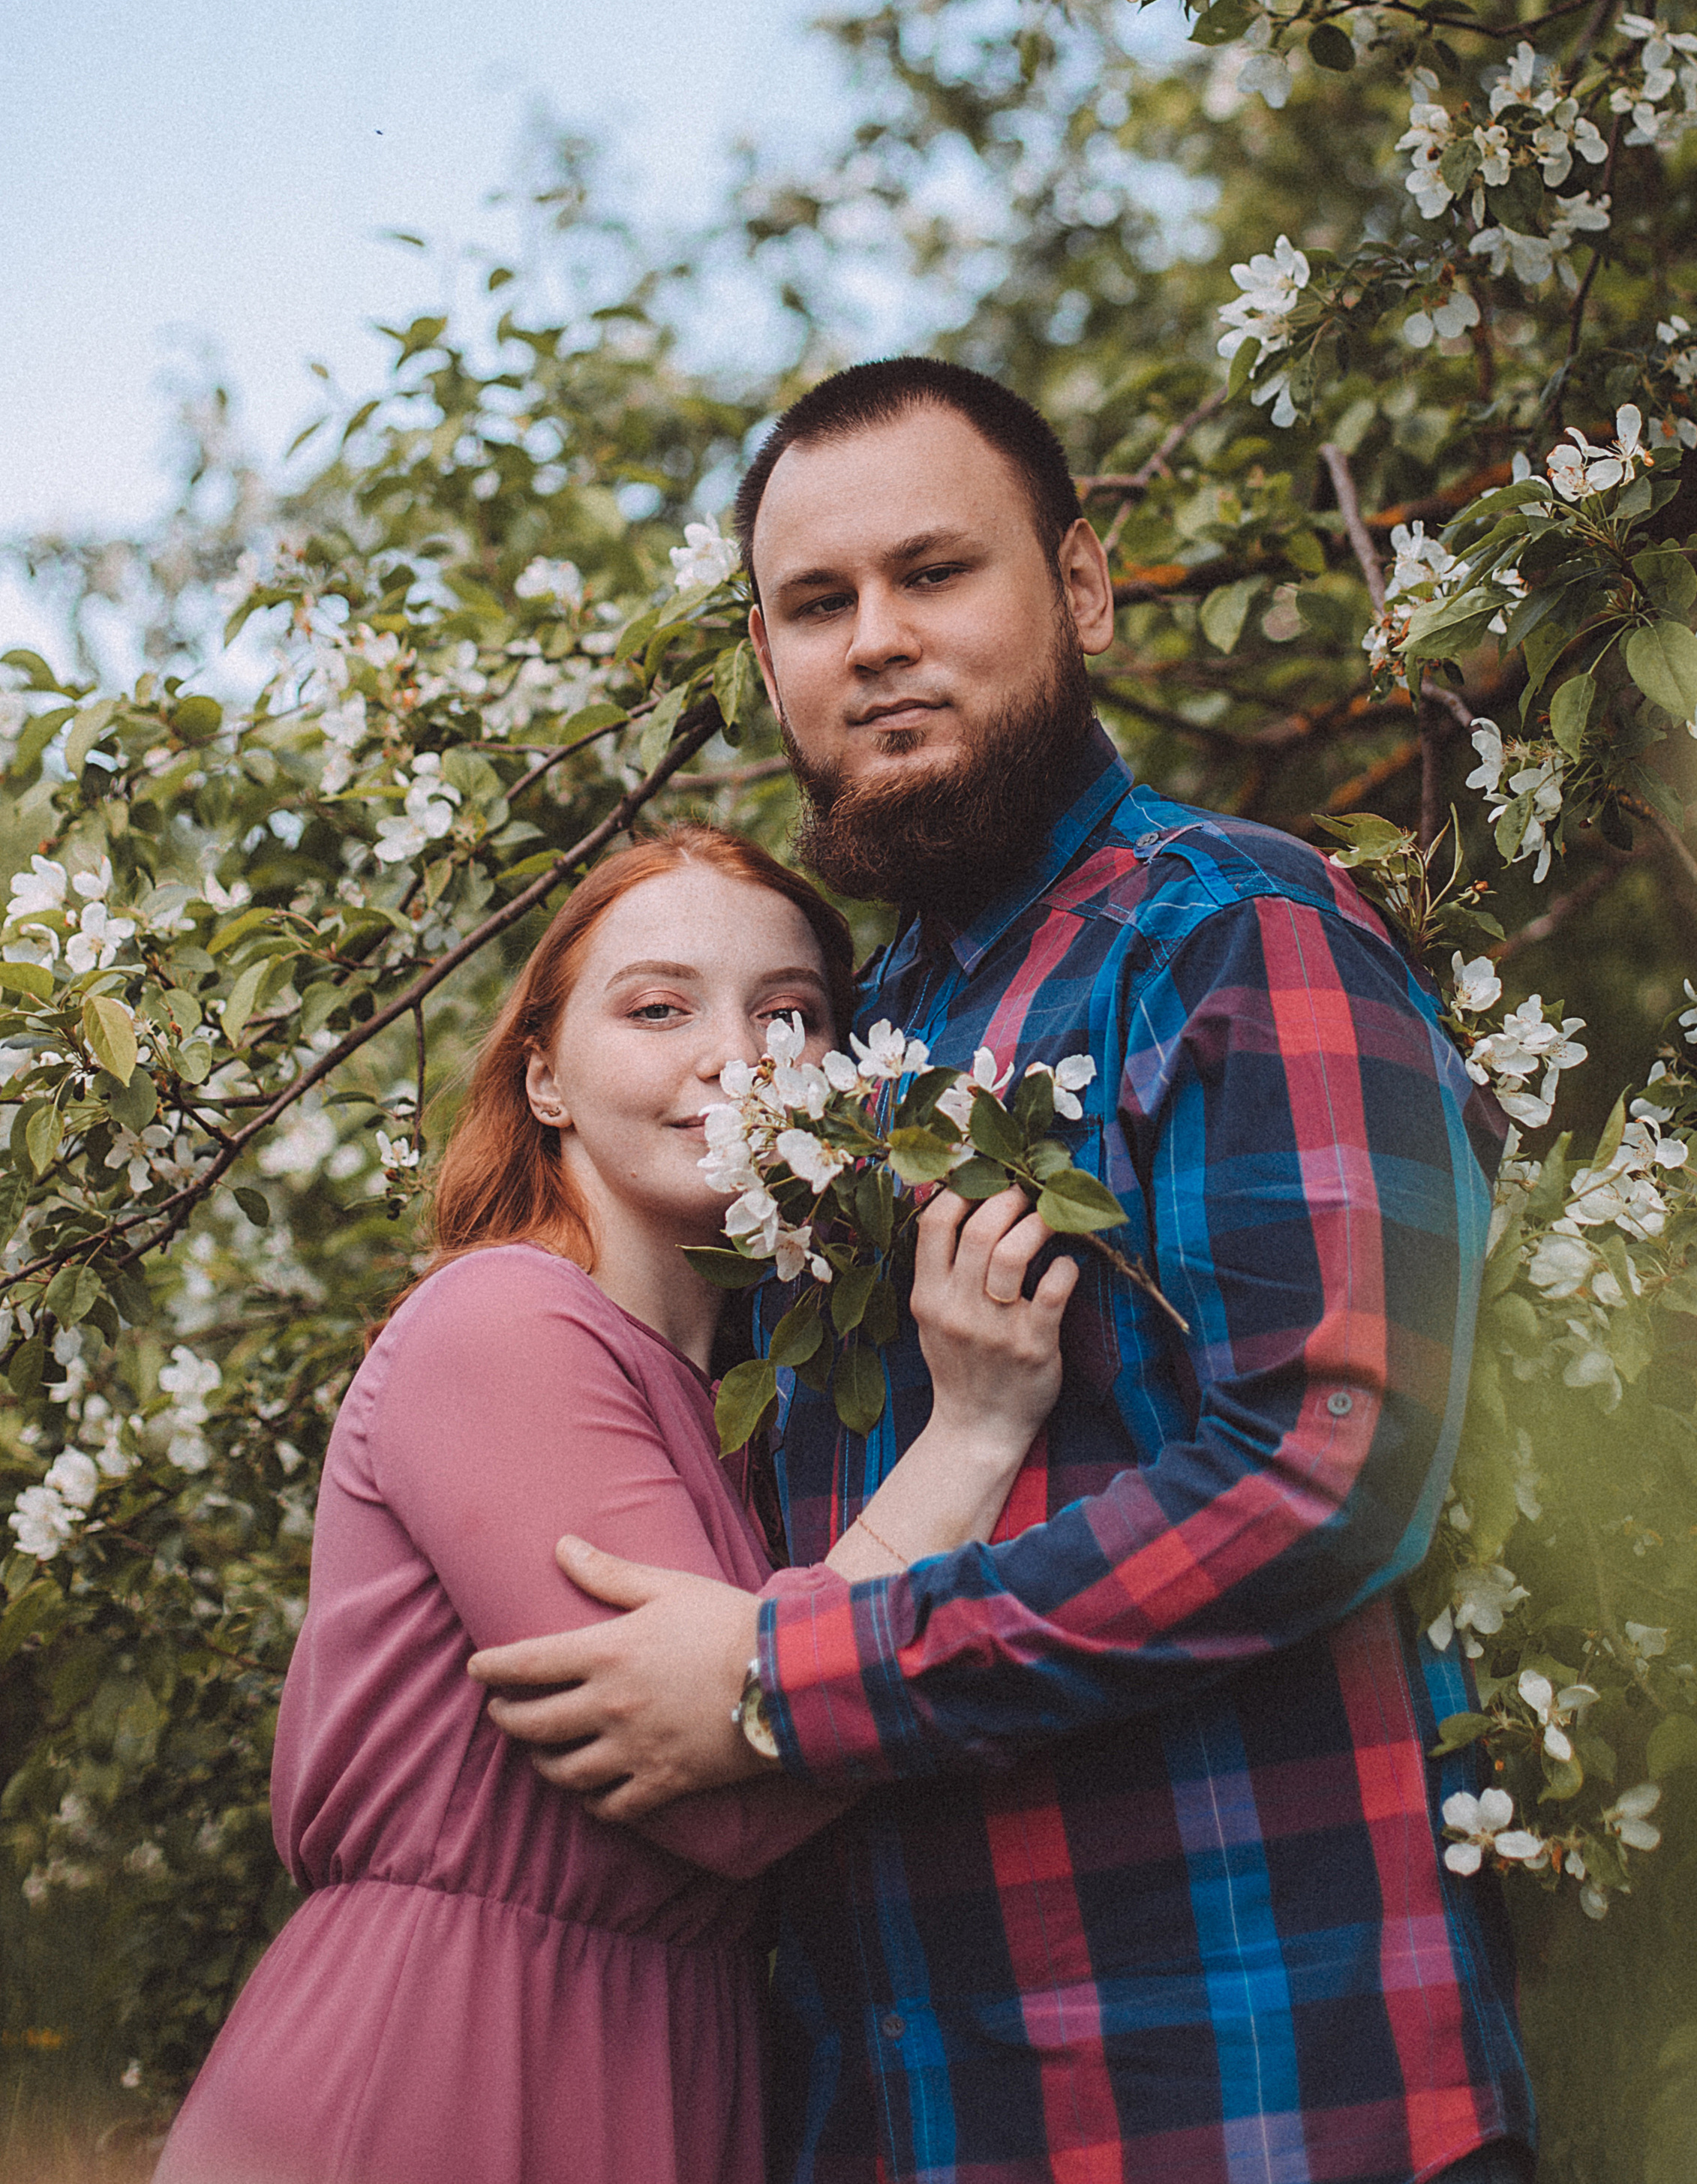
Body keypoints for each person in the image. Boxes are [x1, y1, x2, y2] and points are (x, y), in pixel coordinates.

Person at [472, 359, 1537, 2184]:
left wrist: (786, 1681)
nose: (877, 640)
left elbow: (1323, 1466)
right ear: (769, 661)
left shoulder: (1228, 935)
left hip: (1254, 2086)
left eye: (933, 573)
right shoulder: (830, 1052)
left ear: (1083, 589)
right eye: (819, 604)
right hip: (907, 2104)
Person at [155, 822, 1077, 2184]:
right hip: (443, 2063)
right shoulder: (505, 1327)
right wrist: (977, 1431)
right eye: (659, 1009)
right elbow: (729, 1799)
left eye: (790, 1015)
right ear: (545, 1078)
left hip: (670, 2062)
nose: (735, 1058)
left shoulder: (746, 1413)